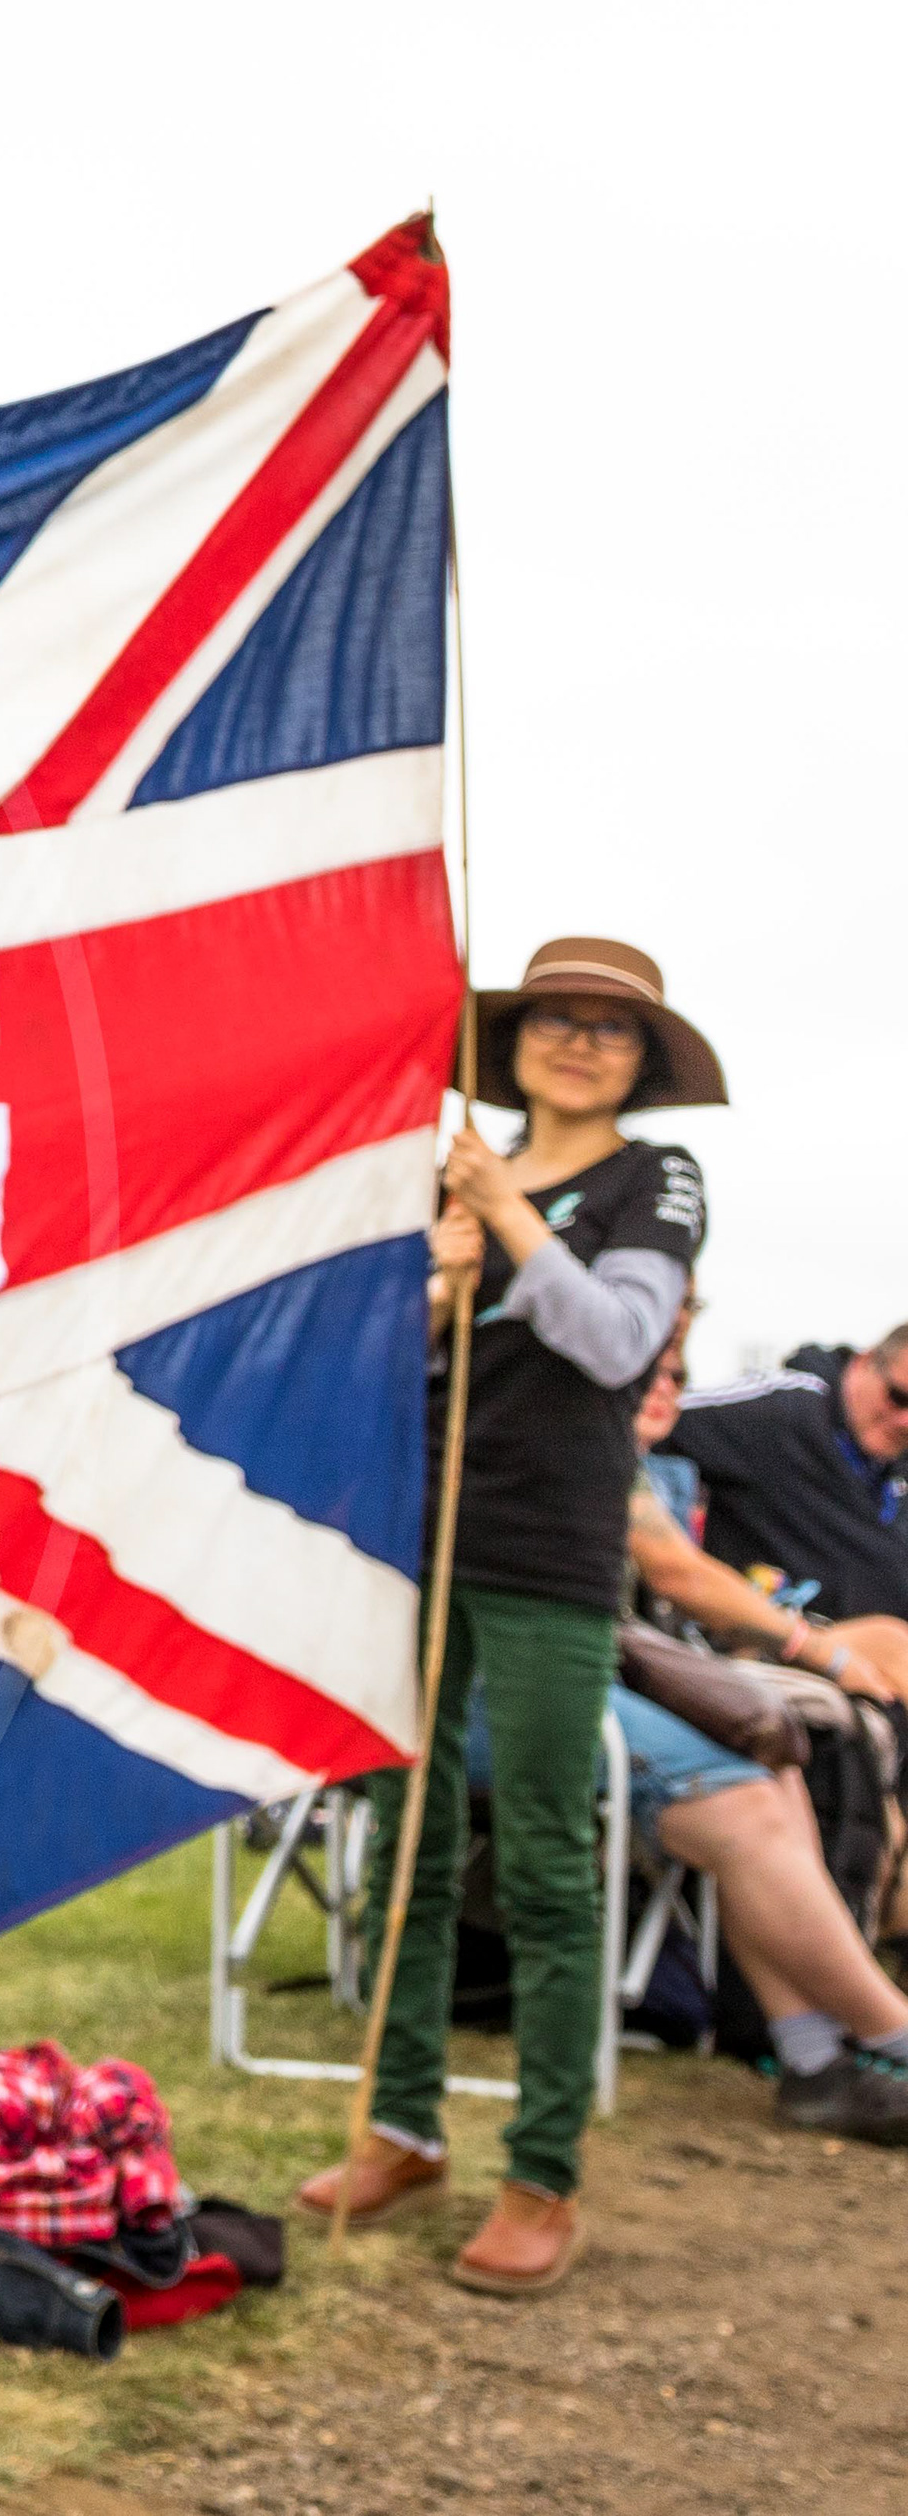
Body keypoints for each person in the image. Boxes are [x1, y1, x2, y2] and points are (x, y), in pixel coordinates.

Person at [296, 938, 720, 2296]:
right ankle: (404, 2125)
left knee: (539, 1851)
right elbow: (375, 1352)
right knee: (400, 1838)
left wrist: (512, 1216)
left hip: (547, 1549)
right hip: (413, 1538)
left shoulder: (657, 1178)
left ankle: (542, 2174)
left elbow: (611, 1343)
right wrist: (437, 1272)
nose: (580, 1043)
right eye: (557, 1019)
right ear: (517, 1037)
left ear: (642, 1062)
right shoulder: (457, 1174)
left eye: (610, 1029)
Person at [592, 1342, 908, 2139]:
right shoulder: (589, 1446)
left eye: (677, 1373)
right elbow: (676, 1573)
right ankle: (885, 2029)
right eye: (647, 1369)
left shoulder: (651, 1466)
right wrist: (820, 1649)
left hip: (626, 1680)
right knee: (752, 1796)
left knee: (774, 1763)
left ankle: (812, 2059)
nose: (665, 1388)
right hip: (542, 1692)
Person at [665, 1327, 908, 1627]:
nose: (904, 1421)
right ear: (865, 1362)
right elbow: (659, 1415)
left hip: (879, 1662)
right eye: (898, 1397)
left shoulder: (896, 1467)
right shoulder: (782, 1412)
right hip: (761, 1651)